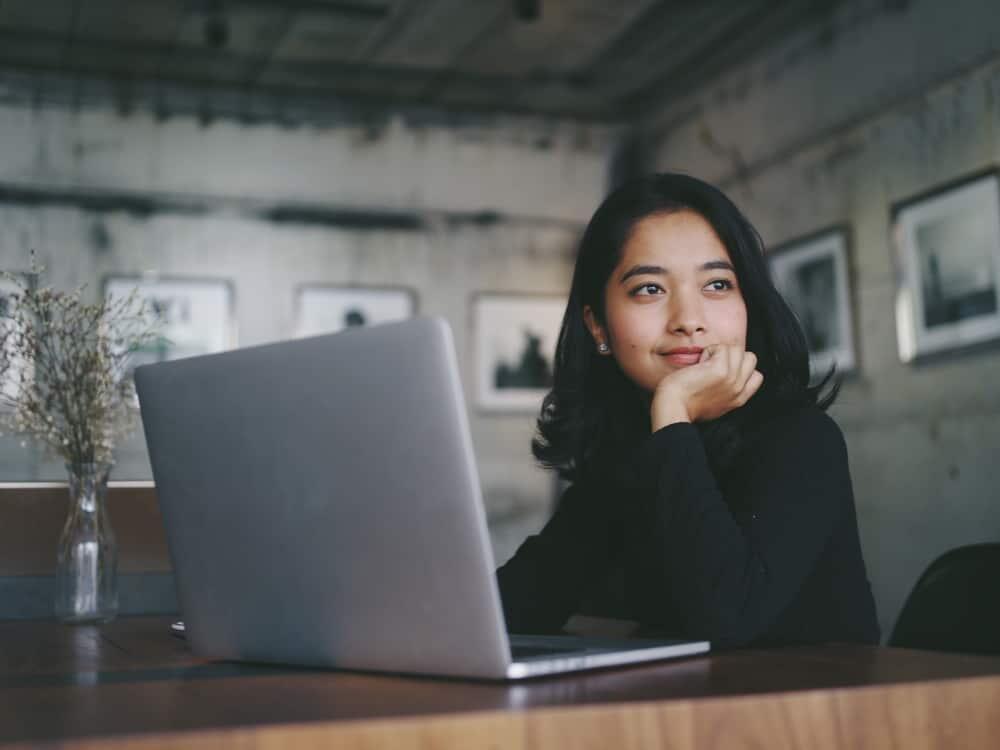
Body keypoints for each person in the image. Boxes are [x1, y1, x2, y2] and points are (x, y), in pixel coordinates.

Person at [496, 173, 879, 648]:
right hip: (687, 715)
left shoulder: (804, 440)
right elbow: (519, 603)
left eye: (717, 284)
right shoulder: (632, 453)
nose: (689, 321)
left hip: (814, 716)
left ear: (748, 306)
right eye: (650, 290)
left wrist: (674, 411)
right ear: (597, 326)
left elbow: (727, 621)